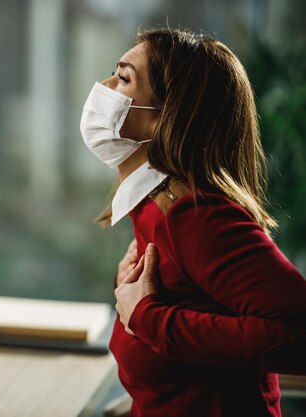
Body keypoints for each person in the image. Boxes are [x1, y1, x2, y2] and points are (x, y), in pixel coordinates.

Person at [80, 29, 306, 417]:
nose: (103, 87)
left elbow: (299, 335)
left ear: (165, 117)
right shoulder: (150, 207)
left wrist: (150, 318)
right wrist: (129, 292)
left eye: (124, 78)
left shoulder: (196, 216)